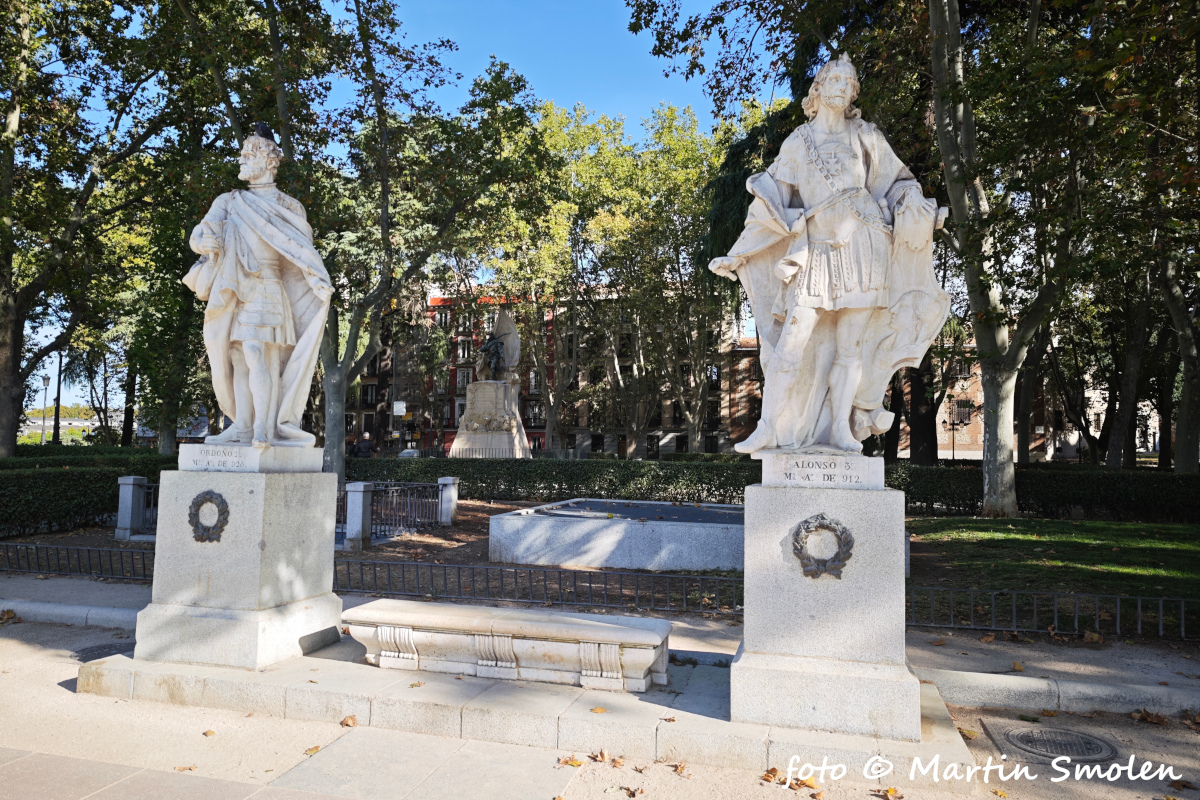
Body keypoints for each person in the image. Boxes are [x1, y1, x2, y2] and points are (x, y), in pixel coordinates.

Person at [709, 54, 938, 454]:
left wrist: (912, 201)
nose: (840, 86)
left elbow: (898, 182)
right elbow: (770, 201)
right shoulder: (798, 141)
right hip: (815, 253)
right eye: (833, 79)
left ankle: (840, 430)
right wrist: (741, 252)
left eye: (848, 82)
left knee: (850, 348)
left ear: (852, 93)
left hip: (865, 249)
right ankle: (768, 427)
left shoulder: (866, 135)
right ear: (818, 89)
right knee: (790, 343)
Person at [184, 123, 333, 449]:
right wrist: (204, 240)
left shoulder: (290, 207)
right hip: (236, 290)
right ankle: (243, 426)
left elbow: (301, 253)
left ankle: (265, 427)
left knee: (256, 353)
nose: (242, 160)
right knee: (238, 356)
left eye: (249, 154)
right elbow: (200, 234)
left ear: (268, 160)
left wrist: (317, 281)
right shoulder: (229, 201)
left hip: (268, 287)